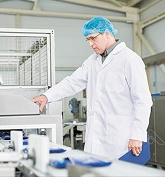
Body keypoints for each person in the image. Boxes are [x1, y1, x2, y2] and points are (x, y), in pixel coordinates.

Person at [32, 17, 152, 160]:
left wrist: (137, 135)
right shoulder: (92, 61)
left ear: (107, 34)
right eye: (87, 40)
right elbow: (72, 83)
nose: (90, 44)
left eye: (93, 38)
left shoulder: (130, 59)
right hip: (96, 138)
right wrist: (47, 96)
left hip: (121, 139)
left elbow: (143, 100)